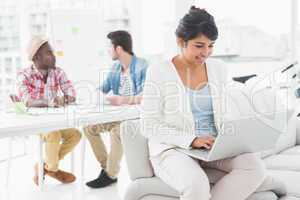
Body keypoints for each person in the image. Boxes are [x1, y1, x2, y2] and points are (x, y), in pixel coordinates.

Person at [140, 6, 266, 200]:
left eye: (211, 45)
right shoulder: (159, 71)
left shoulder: (218, 69)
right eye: (199, 46)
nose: (206, 52)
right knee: (196, 185)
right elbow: (148, 125)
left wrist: (235, 137)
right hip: (173, 148)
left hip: (212, 146)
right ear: (181, 41)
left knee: (254, 168)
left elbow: (225, 113)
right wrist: (191, 140)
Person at [84, 30, 148, 188]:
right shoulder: (115, 68)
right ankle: (107, 169)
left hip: (134, 120)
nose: (108, 51)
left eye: (109, 47)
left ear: (118, 49)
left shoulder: (142, 66)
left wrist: (122, 100)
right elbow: (104, 88)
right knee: (88, 128)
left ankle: (110, 174)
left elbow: (146, 96)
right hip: (118, 116)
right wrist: (93, 94)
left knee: (117, 132)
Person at [16, 36, 81, 185]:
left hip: (55, 122)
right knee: (54, 133)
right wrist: (51, 102)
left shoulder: (58, 72)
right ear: (37, 57)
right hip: (36, 122)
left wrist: (63, 99)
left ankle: (44, 167)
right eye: (49, 53)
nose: (53, 56)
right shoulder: (24, 75)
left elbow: (71, 95)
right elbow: (27, 101)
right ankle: (52, 168)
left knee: (76, 135)